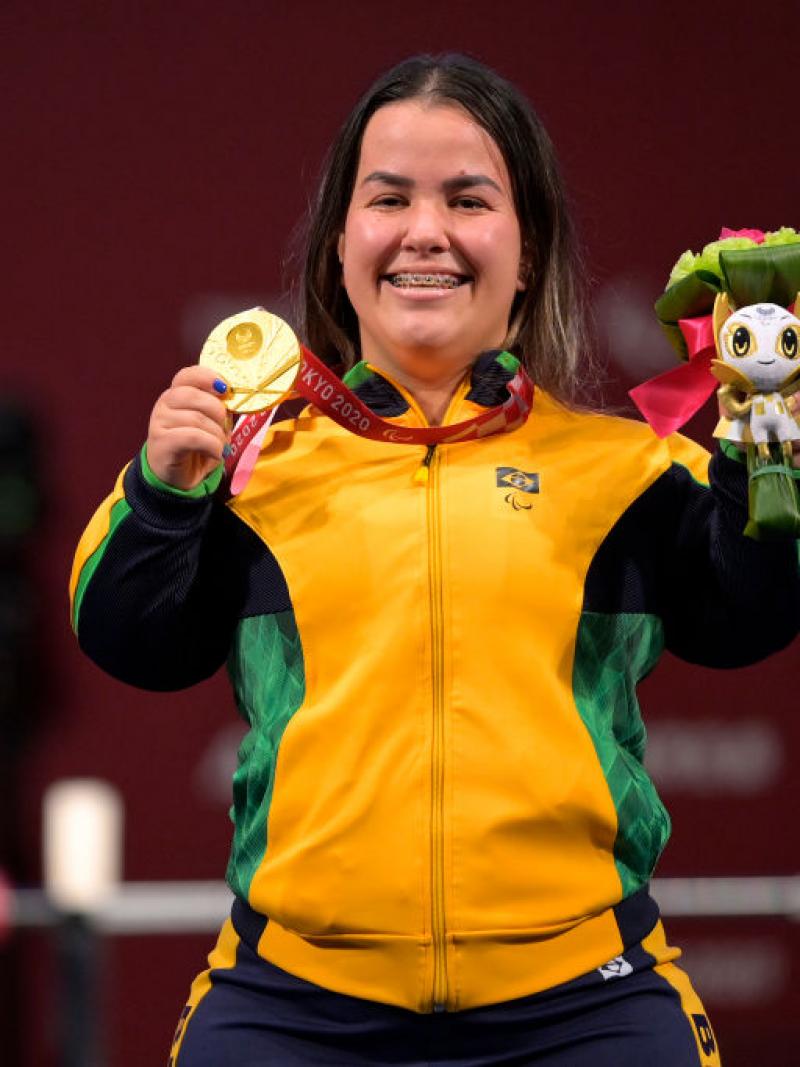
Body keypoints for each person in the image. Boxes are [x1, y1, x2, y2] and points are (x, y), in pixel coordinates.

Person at [69, 54, 799, 1066]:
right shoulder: (244, 464)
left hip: (582, 1003)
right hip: (293, 1002)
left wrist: (766, 456)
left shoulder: (628, 471)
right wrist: (160, 487)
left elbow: (747, 617)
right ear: (337, 245)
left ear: (527, 249)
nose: (425, 230)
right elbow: (127, 639)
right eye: (388, 198)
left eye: (467, 198)